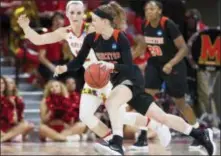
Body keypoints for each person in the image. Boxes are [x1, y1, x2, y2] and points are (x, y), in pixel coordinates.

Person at [53, 2, 216, 156]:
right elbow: (79, 60)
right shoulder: (91, 39)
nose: (91, 23)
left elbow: (128, 66)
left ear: (104, 21)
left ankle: (116, 144)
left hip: (131, 78)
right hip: (118, 81)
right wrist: (64, 68)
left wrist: (111, 66)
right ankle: (201, 134)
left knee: (112, 102)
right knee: (162, 117)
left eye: (94, 20)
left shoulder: (120, 37)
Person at [0, 76, 33, 142]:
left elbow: (14, 119)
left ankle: (4, 138)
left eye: (2, 83)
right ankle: (9, 136)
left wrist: (14, 111)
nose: (1, 85)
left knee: (27, 125)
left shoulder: (9, 99)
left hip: (7, 127)